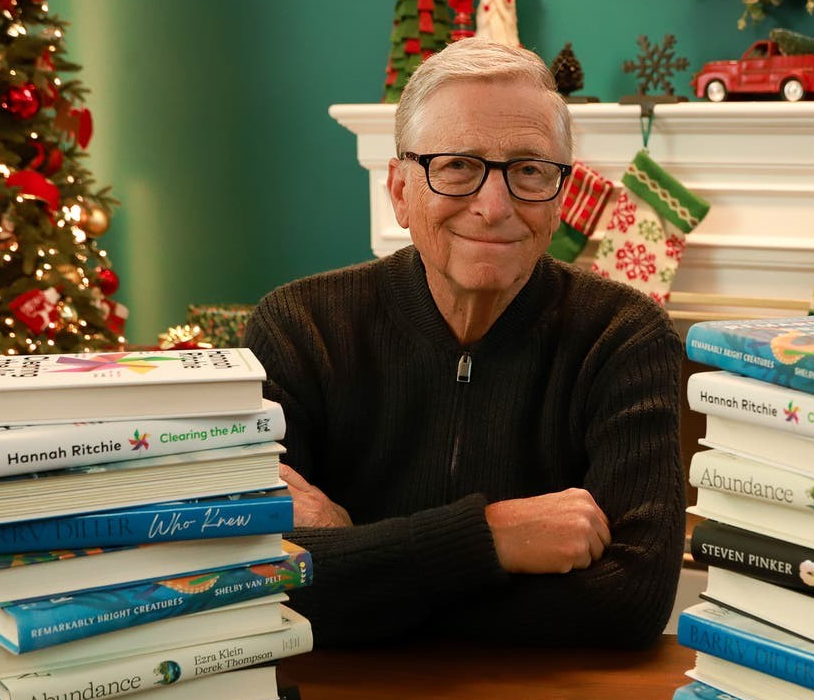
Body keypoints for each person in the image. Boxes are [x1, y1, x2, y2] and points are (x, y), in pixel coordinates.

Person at [244, 37, 684, 648]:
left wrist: (358, 559)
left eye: (529, 170)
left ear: (560, 198)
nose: (494, 206)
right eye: (457, 166)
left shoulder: (624, 336)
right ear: (400, 191)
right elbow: (258, 578)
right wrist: (492, 538)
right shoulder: (299, 327)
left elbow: (631, 602)